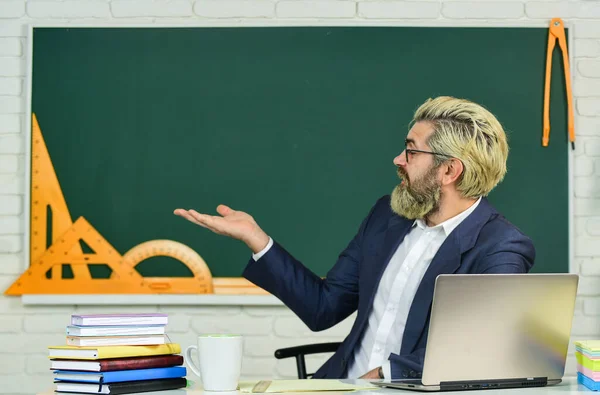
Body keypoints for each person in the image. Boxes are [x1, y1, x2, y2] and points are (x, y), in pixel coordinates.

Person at [174, 96, 535, 380]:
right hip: (341, 384)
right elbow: (323, 307)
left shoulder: (499, 246)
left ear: (449, 170)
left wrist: (387, 375)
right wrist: (256, 238)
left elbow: (482, 350)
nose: (398, 159)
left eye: (411, 150)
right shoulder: (387, 216)